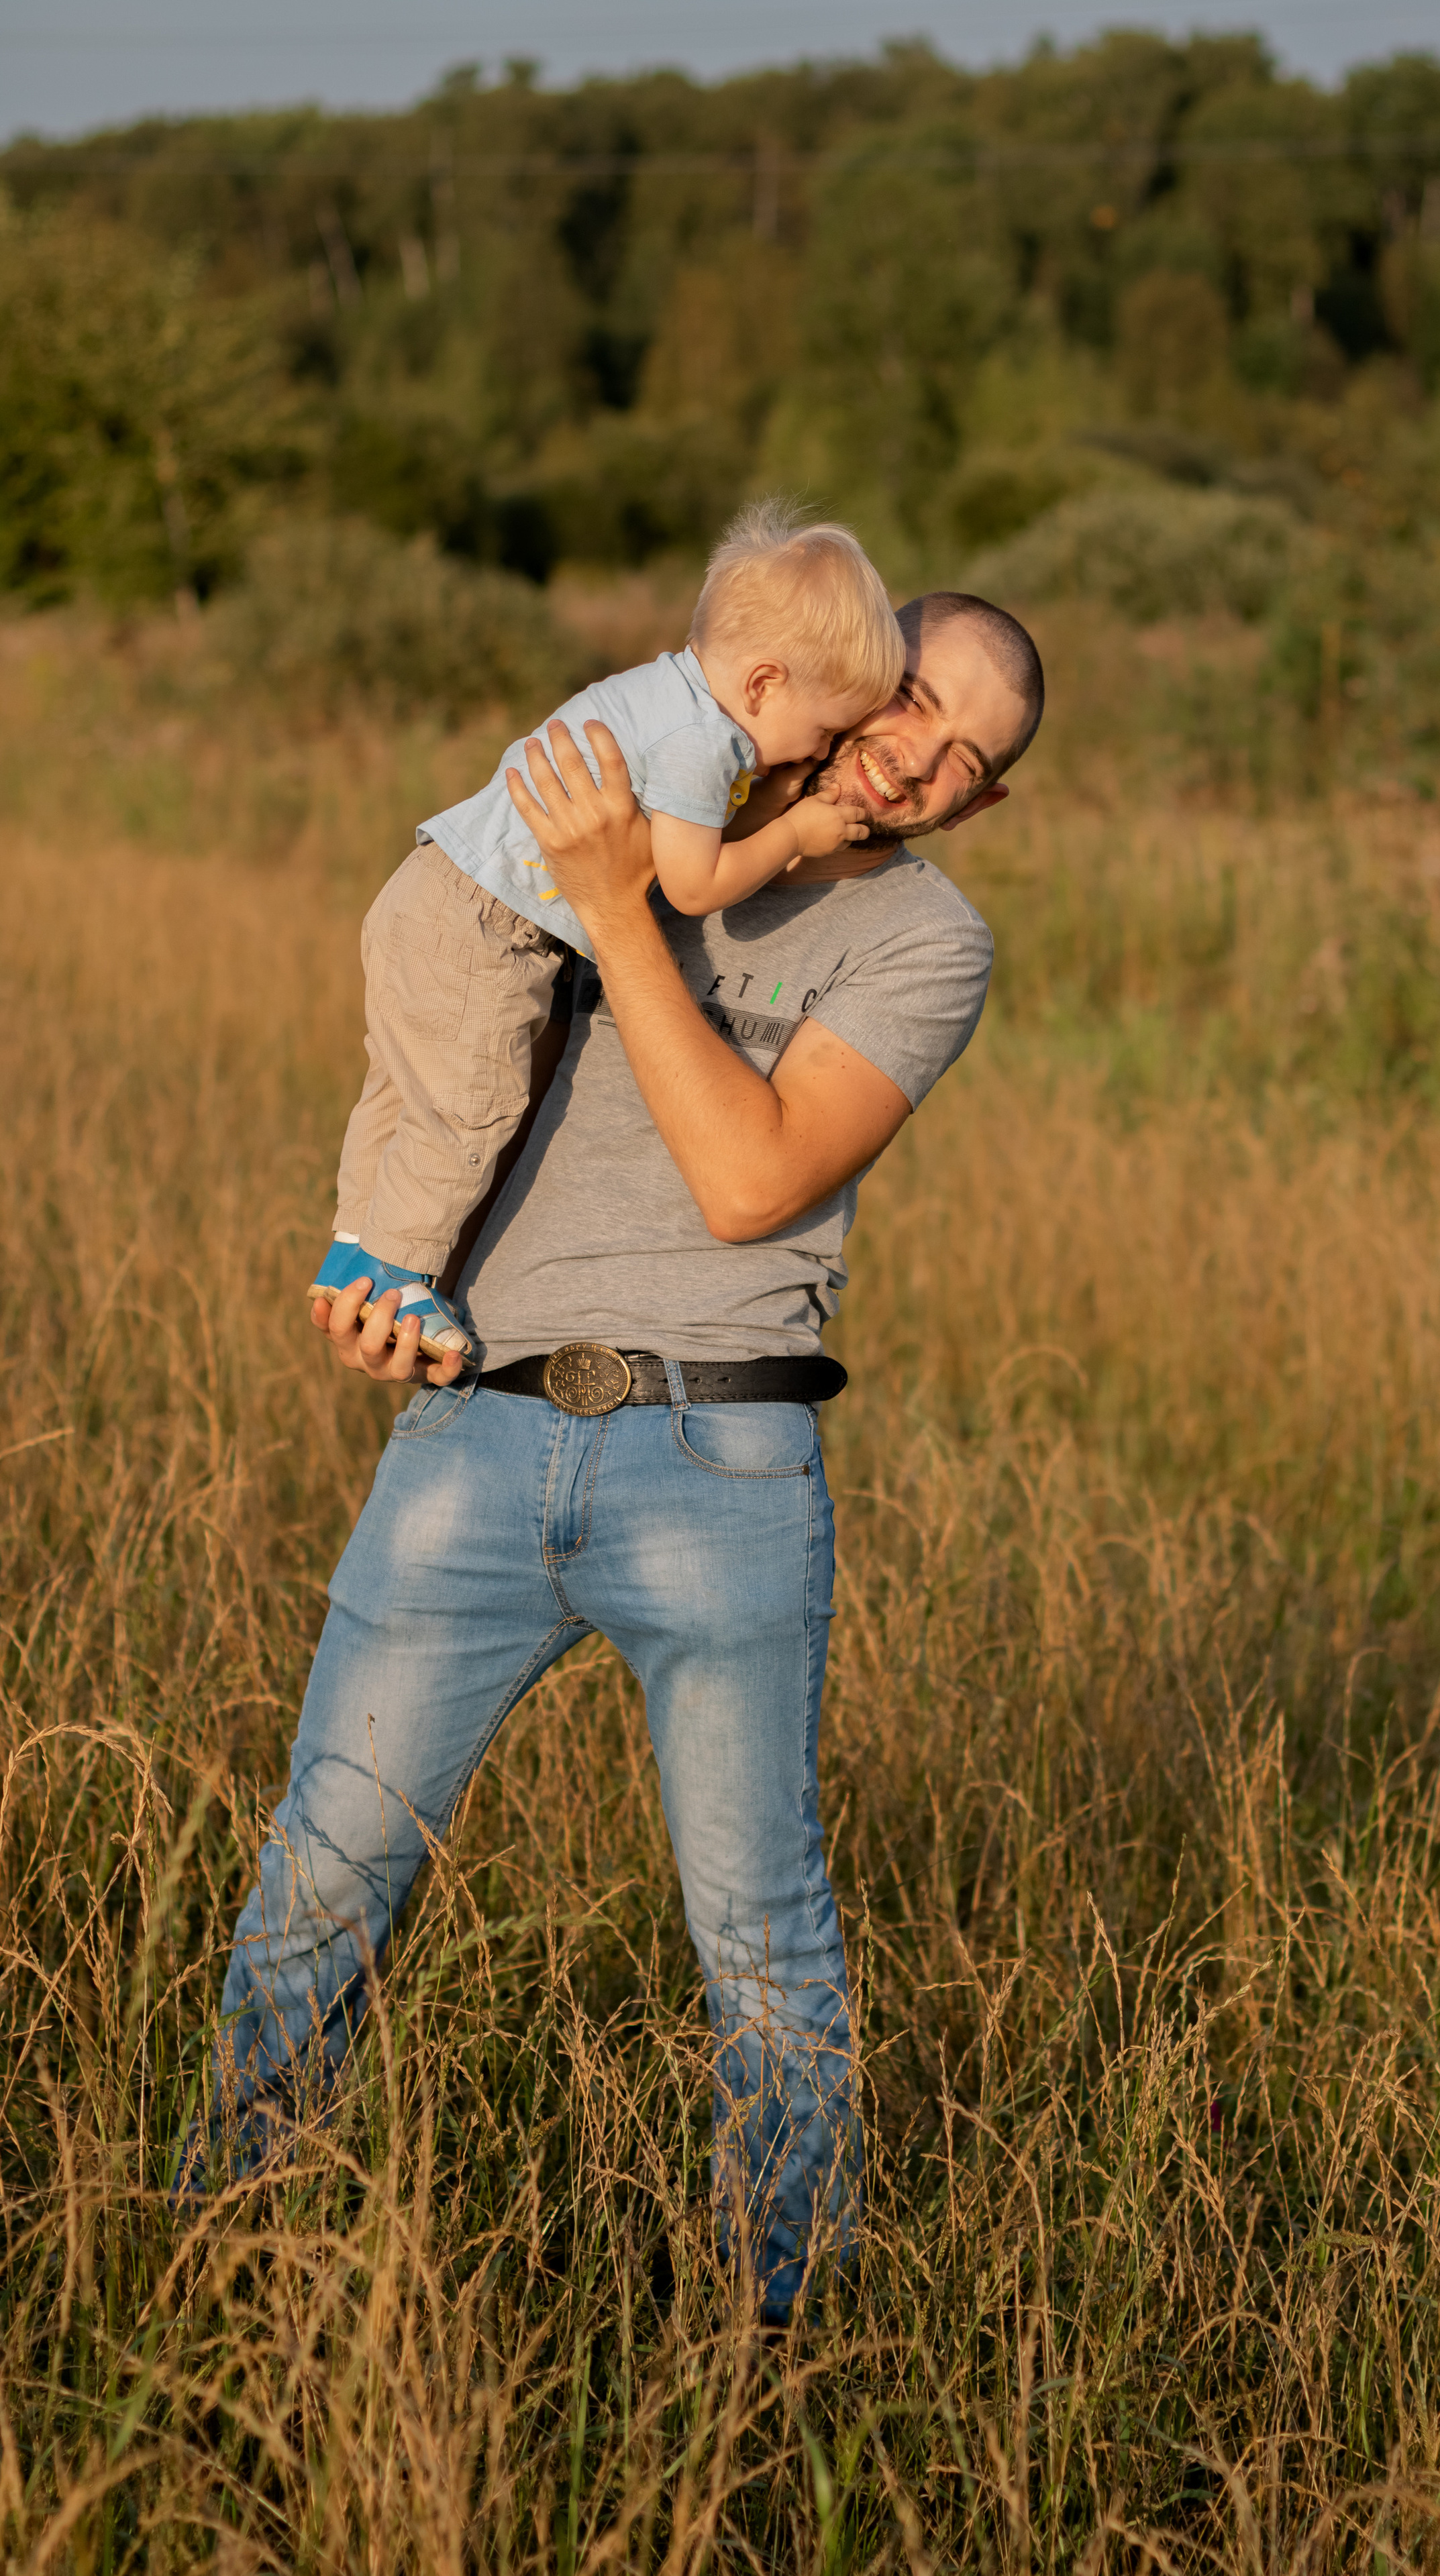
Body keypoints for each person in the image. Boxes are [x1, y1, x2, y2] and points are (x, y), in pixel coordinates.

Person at [193, 592, 1045, 2324]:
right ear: (854, 667)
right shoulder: (654, 796)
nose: (926, 762)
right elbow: (448, 1021)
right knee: (314, 1898)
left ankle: (777, 2342)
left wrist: (617, 916)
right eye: (923, 707)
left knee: (763, 1947)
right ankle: (217, 2278)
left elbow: (750, 1183)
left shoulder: (925, 945)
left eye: (974, 762)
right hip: (475, 1431)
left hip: (719, 1463)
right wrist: (386, 1271)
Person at [311, 498, 899, 1359]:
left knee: (402, 1091)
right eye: (818, 731)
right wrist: (796, 835)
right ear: (765, 684)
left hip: (428, 889)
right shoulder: (707, 743)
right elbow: (694, 886)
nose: (813, 754)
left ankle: (353, 1260)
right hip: (490, 926)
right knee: (472, 1110)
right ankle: (403, 1275)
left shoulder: (659, 691)